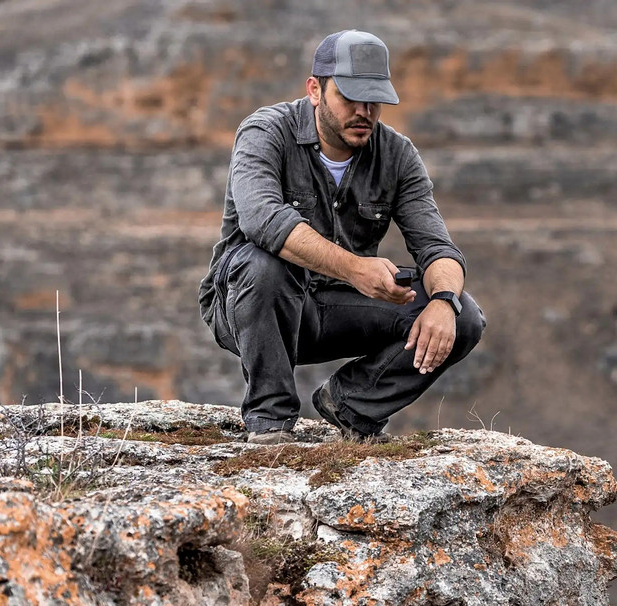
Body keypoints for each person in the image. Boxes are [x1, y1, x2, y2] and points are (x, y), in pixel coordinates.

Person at [197, 30, 486, 445]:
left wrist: (443, 302)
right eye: (350, 98)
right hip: (251, 306)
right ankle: (270, 422)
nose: (364, 112)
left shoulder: (398, 155)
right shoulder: (265, 132)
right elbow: (264, 221)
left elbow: (438, 247)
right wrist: (355, 269)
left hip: (337, 307)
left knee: (464, 317)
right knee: (265, 264)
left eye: (374, 101)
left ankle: (351, 406)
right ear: (315, 90)